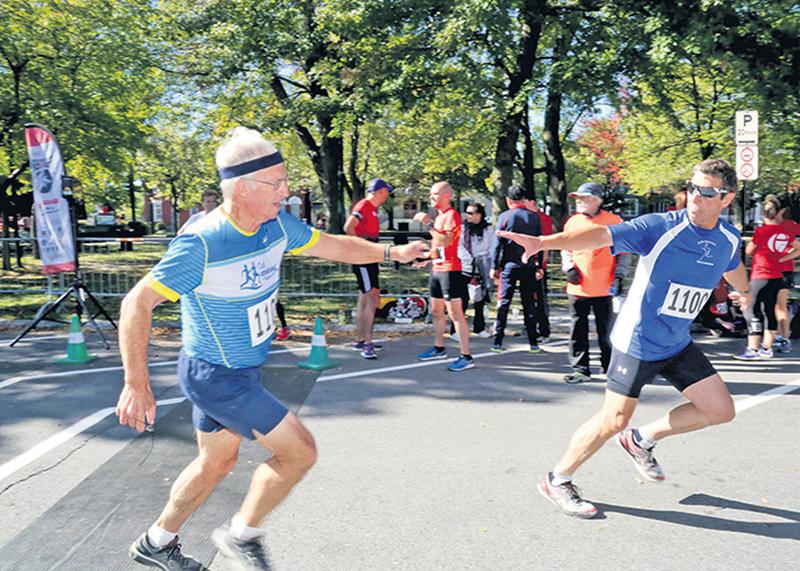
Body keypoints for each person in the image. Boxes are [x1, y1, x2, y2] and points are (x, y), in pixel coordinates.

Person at [116, 127, 428, 570]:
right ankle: (242, 535)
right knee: (300, 451)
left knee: (215, 465)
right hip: (217, 376)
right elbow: (137, 302)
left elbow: (335, 245)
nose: (287, 192)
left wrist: (391, 255)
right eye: (276, 183)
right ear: (242, 189)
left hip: (239, 371)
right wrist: (136, 383)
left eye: (286, 181)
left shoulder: (277, 224)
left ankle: (155, 542)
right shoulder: (202, 243)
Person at [498, 159, 751, 519]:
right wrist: (544, 242)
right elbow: (599, 236)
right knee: (613, 420)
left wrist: (745, 291)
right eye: (692, 187)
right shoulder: (661, 227)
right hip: (638, 340)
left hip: (676, 342)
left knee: (721, 410)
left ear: (726, 198)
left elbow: (733, 267)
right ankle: (557, 478)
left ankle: (642, 439)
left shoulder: (727, 238)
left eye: (706, 192)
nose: (695, 197)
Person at [560, 182, 630, 384]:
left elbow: (624, 252)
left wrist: (619, 275)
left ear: (597, 200)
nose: (579, 202)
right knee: (577, 329)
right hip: (578, 285)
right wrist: (569, 267)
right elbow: (565, 246)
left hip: (605, 287)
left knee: (606, 331)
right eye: (577, 198)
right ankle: (580, 369)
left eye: (584, 198)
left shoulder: (614, 221)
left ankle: (610, 368)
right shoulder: (572, 222)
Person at [413, 181, 474, 372]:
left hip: (451, 271)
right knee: (435, 311)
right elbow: (438, 246)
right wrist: (428, 259)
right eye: (430, 194)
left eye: (435, 194)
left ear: (446, 195)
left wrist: (427, 222)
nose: (431, 197)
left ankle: (466, 356)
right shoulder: (440, 217)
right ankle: (439, 347)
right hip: (438, 269)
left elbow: (446, 240)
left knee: (456, 314)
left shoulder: (451, 216)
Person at [733, 195, 800, 360]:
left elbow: (748, 250)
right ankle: (769, 346)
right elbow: (797, 248)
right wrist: (782, 258)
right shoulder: (787, 230)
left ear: (764, 214)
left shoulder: (761, 231)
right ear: (779, 212)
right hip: (778, 275)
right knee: (772, 310)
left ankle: (753, 348)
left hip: (761, 274)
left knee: (752, 310)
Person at [344, 178, 394, 359]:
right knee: (373, 296)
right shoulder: (363, 206)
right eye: (386, 192)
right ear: (379, 191)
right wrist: (360, 248)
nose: (387, 196)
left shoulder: (371, 209)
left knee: (365, 296)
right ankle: (367, 343)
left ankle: (360, 339)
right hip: (364, 257)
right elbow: (348, 227)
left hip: (369, 256)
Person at [490, 186, 543, 353]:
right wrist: (539, 265)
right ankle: (533, 342)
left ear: (508, 200)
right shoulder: (534, 217)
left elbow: (497, 244)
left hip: (509, 265)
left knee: (504, 302)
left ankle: (498, 341)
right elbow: (539, 243)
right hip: (528, 265)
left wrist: (494, 266)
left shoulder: (505, 217)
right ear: (524, 199)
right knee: (529, 304)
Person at [451, 202, 495, 339]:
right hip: (464, 266)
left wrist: (482, 258)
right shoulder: (462, 229)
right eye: (467, 212)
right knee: (462, 299)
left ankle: (479, 327)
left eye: (471, 213)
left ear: (479, 215)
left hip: (482, 266)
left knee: (480, 299)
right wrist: (468, 259)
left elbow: (492, 247)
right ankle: (455, 330)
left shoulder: (488, 229)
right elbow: (459, 245)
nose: (467, 215)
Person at [525, 196, 553, 343]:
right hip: (526, 263)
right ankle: (530, 326)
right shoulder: (525, 217)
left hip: (537, 263)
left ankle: (544, 330)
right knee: (528, 297)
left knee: (540, 298)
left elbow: (546, 243)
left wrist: (542, 264)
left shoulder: (542, 219)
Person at [775, 206, 800, 352]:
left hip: (780, 269)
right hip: (785, 269)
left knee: (779, 305)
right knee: (778, 305)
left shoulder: (782, 227)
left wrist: (782, 258)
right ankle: (780, 335)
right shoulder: (795, 226)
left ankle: (784, 336)